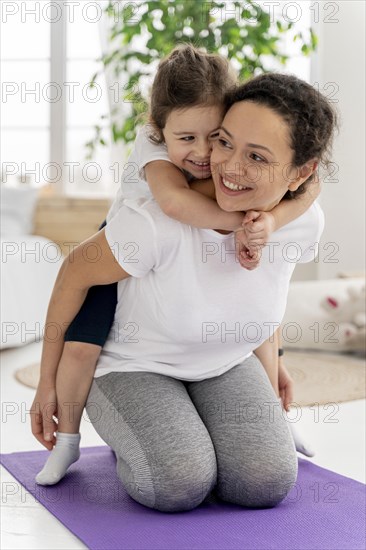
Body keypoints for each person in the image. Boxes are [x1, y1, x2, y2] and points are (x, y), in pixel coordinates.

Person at [31, 50, 327, 491]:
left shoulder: (298, 215)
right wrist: (45, 383)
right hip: (131, 323)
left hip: (217, 358)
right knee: (177, 479)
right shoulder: (159, 196)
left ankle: (204, 426)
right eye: (225, 143)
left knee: (266, 481)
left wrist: (269, 221)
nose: (216, 158)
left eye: (255, 156)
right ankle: (80, 437)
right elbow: (166, 208)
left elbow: (262, 291)